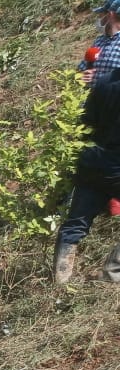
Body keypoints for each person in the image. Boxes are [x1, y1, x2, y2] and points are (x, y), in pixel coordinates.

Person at [54, 69, 120, 284]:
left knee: (76, 221)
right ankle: (112, 274)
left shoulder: (104, 81)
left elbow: (85, 121)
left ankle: (61, 278)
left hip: (92, 159)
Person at [79, 0, 120, 87]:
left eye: (101, 15)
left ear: (110, 15)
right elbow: (84, 68)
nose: (99, 19)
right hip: (95, 98)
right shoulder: (99, 41)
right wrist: (86, 74)